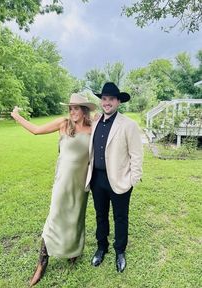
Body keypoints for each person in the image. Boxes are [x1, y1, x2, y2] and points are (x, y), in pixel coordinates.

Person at [11, 93, 96, 286]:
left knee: (75, 218)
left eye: (77, 108)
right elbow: (36, 130)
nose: (73, 112)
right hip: (62, 181)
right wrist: (17, 116)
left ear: (84, 110)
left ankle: (73, 252)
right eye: (71, 108)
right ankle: (42, 263)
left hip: (81, 183)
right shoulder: (63, 124)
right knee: (55, 217)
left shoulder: (92, 129)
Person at [85, 82, 143, 273]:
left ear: (118, 101)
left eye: (111, 99)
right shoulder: (95, 122)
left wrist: (133, 179)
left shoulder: (129, 125)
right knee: (100, 215)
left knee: (120, 217)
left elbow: (136, 154)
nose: (107, 102)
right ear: (101, 101)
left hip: (120, 179)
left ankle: (120, 251)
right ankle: (102, 247)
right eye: (104, 99)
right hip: (97, 179)